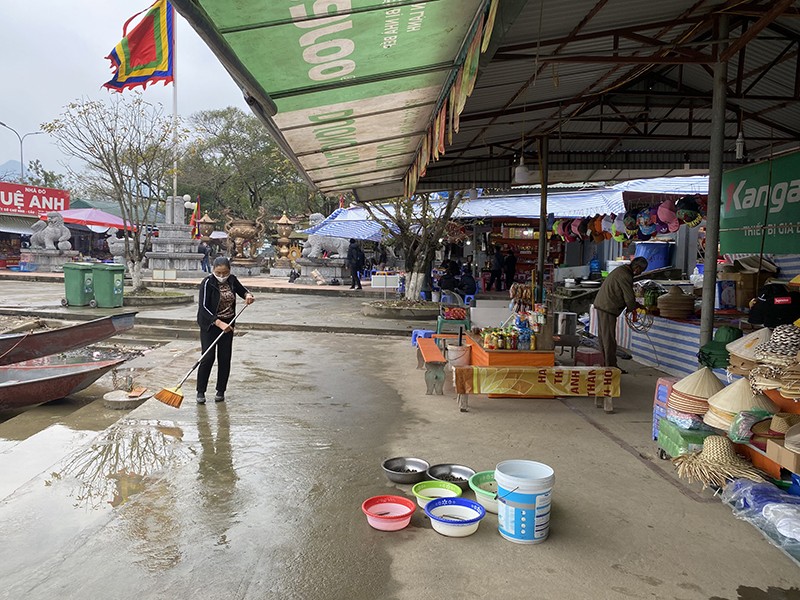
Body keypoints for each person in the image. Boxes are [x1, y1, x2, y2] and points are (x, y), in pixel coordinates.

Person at [196, 257, 255, 403]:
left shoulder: (232, 280)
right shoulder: (207, 283)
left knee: (224, 357)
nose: (222, 276)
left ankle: (220, 391)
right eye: (218, 273)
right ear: (213, 270)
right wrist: (218, 322)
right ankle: (200, 392)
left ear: (229, 271)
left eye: (225, 272)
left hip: (228, 324)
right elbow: (203, 308)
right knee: (207, 357)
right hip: (210, 325)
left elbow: (243, 291)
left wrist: (248, 296)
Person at [593, 257, 648, 373]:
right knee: (609, 339)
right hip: (607, 307)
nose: (640, 273)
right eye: (641, 270)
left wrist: (633, 305)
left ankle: (606, 364)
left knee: (604, 338)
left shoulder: (622, 270)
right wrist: (633, 307)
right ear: (637, 268)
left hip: (603, 305)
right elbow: (629, 297)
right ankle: (611, 367)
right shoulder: (625, 275)